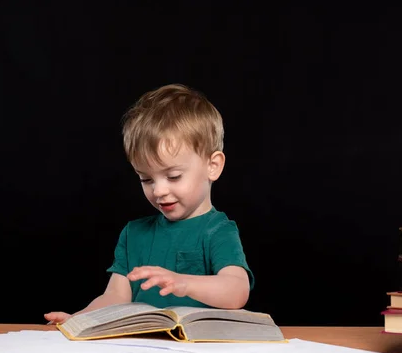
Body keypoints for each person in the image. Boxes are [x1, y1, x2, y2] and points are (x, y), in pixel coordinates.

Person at [45, 83, 254, 324]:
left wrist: (183, 283)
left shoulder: (218, 230)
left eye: (173, 176)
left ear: (213, 166)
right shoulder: (133, 234)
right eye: (146, 179)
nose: (159, 191)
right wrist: (78, 319)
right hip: (141, 351)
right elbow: (115, 296)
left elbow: (237, 290)